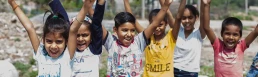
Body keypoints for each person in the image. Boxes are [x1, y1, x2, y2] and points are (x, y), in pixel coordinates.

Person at [8, 0, 89, 76]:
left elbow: (73, 30)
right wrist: (13, 4)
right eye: (49, 41)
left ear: (66, 42)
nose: (53, 46)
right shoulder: (41, 54)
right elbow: (29, 28)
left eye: (59, 42)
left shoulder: (67, 56)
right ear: (43, 39)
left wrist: (86, 7)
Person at [102, 0, 173, 76]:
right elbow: (96, 23)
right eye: (125, 30)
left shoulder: (138, 42)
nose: (129, 34)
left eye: (132, 30)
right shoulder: (112, 43)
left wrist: (165, 6)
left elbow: (154, 24)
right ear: (115, 30)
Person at [202, 0, 258, 76]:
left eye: (235, 35)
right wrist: (206, 5)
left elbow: (255, 31)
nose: (231, 37)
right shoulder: (218, 45)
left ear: (240, 37)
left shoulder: (241, 46)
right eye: (227, 34)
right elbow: (206, 28)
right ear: (221, 34)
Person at [173, 0, 207, 76]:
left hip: (190, 73)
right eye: (184, 18)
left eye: (190, 17)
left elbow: (203, 16)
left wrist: (204, 3)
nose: (187, 21)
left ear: (196, 18)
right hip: (173, 70)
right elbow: (174, 16)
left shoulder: (199, 34)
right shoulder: (177, 31)